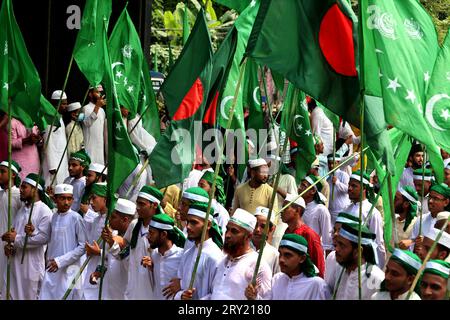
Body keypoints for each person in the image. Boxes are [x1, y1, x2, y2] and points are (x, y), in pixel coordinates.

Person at [195, 209, 271, 300]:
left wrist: (254, 298)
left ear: (249, 236)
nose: (227, 235)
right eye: (227, 229)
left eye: (234, 231)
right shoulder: (222, 260)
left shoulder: (259, 266)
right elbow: (216, 294)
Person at [1, 174, 52, 300]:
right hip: (14, 265)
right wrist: (10, 246)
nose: (21, 190)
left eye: (24, 187)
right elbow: (14, 233)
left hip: (31, 267)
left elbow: (43, 238)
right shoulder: (21, 210)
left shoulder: (45, 211)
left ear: (35, 189)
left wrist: (16, 239)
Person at [113, 186, 163, 300]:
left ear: (154, 205)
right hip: (133, 282)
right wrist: (114, 244)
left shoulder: (161, 231)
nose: (138, 208)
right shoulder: (134, 224)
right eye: (137, 204)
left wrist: (153, 263)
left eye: (142, 204)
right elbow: (126, 246)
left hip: (150, 285)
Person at [39, 184, 87, 300]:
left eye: (69, 199)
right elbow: (50, 241)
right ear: (55, 199)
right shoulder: (53, 217)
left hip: (70, 269)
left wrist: (60, 261)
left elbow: (82, 246)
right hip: (52, 267)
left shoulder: (76, 218)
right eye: (62, 198)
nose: (66, 202)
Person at [247, 234, 331, 300]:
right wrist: (254, 297)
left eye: (288, 255)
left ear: (302, 258)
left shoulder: (317, 285)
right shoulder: (277, 279)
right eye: (280, 254)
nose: (281, 260)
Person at [175, 202, 223, 300]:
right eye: (188, 222)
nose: (188, 226)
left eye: (194, 222)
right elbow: (181, 287)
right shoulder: (188, 253)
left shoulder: (215, 257)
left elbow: (217, 294)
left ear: (208, 225)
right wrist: (181, 296)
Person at [95, 198, 136, 300]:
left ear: (125, 220)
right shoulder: (114, 234)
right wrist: (98, 271)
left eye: (113, 217)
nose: (109, 220)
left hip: (123, 293)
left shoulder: (134, 241)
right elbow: (107, 258)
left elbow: (126, 260)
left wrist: (112, 243)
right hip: (108, 291)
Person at [331, 222, 385, 300]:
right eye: (337, 244)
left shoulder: (376, 278)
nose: (336, 249)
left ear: (358, 251)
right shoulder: (340, 269)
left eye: (342, 245)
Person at [345, 170, 386, 268]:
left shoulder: (372, 212)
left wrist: (376, 270)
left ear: (364, 189)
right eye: (349, 185)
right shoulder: (346, 209)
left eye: (354, 186)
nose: (349, 188)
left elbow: (378, 244)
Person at [141, 214, 185, 300]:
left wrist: (182, 283)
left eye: (151, 233)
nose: (147, 236)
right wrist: (152, 268)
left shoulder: (182, 256)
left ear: (164, 234)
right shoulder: (154, 255)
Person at [281, 193, 325, 278]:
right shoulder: (287, 232)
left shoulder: (309, 234)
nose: (281, 211)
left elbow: (319, 265)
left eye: (285, 208)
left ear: (297, 210)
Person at [81, 183, 108, 300]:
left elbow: (116, 252)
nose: (91, 202)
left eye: (94, 198)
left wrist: (99, 252)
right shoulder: (96, 219)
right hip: (90, 266)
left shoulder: (112, 222)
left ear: (105, 199)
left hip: (103, 271)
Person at [0, 160, 22, 297]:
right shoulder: (1, 193)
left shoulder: (19, 195)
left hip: (11, 243)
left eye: (2, 171)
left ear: (13, 175)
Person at [410, 183, 450, 252]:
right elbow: (411, 245)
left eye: (435, 198)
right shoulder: (421, 219)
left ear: (446, 202)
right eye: (430, 197)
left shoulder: (448, 222)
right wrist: (415, 244)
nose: (430, 201)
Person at [299, 175, 333, 253]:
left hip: (313, 251)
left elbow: (327, 240)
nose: (300, 188)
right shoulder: (298, 207)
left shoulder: (321, 210)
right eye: (301, 184)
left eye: (304, 186)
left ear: (313, 191)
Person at [42, 90, 69, 186]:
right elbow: (47, 142)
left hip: (62, 158)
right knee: (52, 187)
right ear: (55, 104)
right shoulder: (49, 118)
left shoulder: (60, 117)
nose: (66, 106)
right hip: (54, 162)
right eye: (64, 104)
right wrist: (52, 165)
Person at [198, 170, 229, 237]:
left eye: (202, 186)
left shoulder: (221, 212)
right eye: (198, 185)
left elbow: (222, 237)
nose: (198, 189)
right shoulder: (196, 206)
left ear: (213, 188)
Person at [82, 86, 106, 165]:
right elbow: (87, 123)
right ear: (90, 94)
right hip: (90, 148)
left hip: (100, 148)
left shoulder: (102, 111)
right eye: (97, 92)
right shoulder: (85, 108)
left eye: (100, 92)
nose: (100, 95)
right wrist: (97, 107)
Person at [252, 207, 280, 275]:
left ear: (270, 230)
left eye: (263, 226)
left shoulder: (274, 254)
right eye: (255, 224)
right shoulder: (241, 247)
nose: (257, 229)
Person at [326, 153, 351, 225]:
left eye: (333, 163)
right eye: (329, 164)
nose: (331, 166)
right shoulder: (328, 178)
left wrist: (337, 183)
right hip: (331, 212)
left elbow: (348, 190)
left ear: (338, 163)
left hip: (342, 211)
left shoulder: (344, 175)